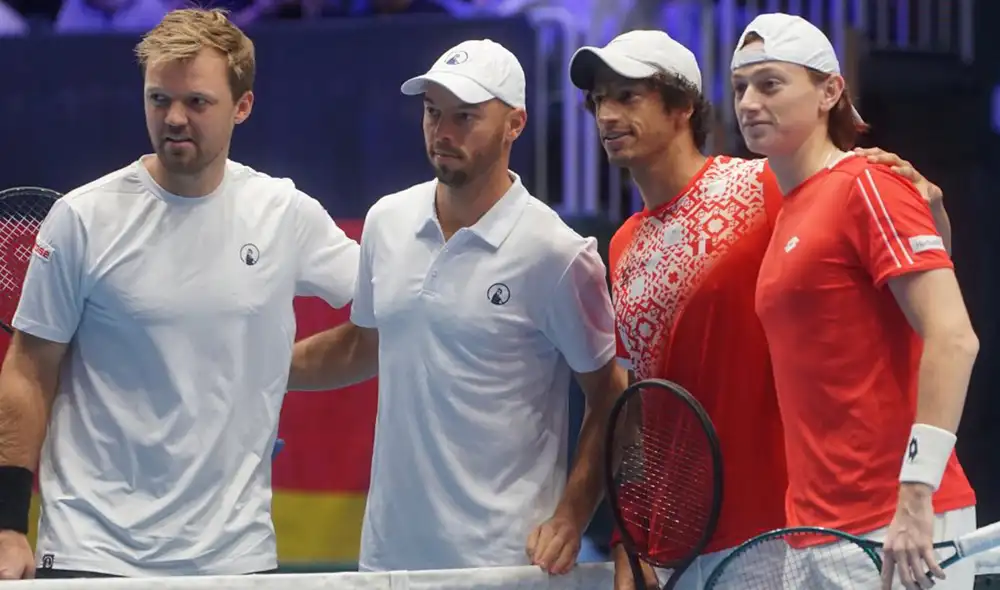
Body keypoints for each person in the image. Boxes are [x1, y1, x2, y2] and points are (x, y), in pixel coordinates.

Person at [568, 29, 954, 590]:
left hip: (784, 534)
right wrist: (633, 534)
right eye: (599, 99)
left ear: (683, 108)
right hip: (680, 545)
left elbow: (902, 294)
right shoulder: (622, 243)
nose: (606, 114)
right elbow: (638, 402)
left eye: (628, 97)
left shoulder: (767, 185)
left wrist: (933, 219)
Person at [0, 8, 359, 579]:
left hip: (234, 558)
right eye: (158, 99)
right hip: (91, 553)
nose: (173, 118)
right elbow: (28, 370)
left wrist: (271, 369)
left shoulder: (284, 213)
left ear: (242, 106)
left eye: (197, 102)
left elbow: (393, 316)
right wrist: (7, 525)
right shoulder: (83, 218)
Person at [288, 39, 627, 574]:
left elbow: (609, 395)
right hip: (388, 560)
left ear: (515, 124)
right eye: (432, 113)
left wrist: (571, 516)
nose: (442, 133)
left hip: (505, 565)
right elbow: (365, 344)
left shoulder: (558, 254)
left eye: (464, 117)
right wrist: (254, 372)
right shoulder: (387, 220)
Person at [730, 13, 978, 590]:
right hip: (811, 534)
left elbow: (953, 336)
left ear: (829, 91)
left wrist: (915, 497)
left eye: (770, 84)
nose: (748, 102)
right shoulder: (789, 205)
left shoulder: (867, 183)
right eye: (740, 86)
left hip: (899, 529)